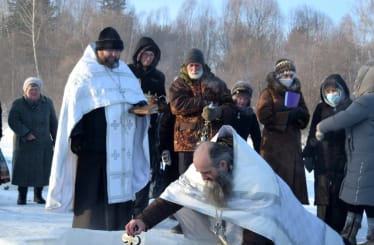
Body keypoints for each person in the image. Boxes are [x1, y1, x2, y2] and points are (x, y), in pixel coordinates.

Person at [125, 125, 363, 245]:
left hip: (282, 217)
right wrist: (143, 220)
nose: (202, 178)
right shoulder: (204, 166)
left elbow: (260, 217)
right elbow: (173, 196)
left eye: (206, 173)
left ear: (223, 165)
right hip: (249, 228)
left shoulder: (256, 176)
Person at [46, 27, 150, 231]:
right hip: (93, 148)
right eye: (109, 51)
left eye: (117, 51)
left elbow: (136, 98)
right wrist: (77, 134)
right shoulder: (85, 71)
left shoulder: (124, 71)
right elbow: (75, 106)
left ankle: (117, 232)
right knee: (92, 197)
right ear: (99, 50)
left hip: (121, 149)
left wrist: (140, 107)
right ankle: (87, 236)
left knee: (119, 199)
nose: (114, 55)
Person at [316, 65, 374, 245]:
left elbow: (344, 118)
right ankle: (359, 236)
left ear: (366, 80)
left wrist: (321, 126)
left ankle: (359, 237)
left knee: (360, 197)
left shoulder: (367, 102)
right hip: (373, 155)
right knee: (363, 197)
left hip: (366, 156)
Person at [169, 48, 237, 175]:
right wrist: (203, 104)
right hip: (186, 143)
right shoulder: (178, 85)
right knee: (187, 180)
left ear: (203, 65)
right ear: (186, 66)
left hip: (212, 141)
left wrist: (218, 112)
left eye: (197, 65)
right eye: (191, 65)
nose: (194, 68)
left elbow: (231, 106)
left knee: (211, 178)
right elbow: (176, 106)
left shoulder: (216, 83)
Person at [256, 58, 310, 204]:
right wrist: (286, 116)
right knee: (274, 191)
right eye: (285, 75)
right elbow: (263, 115)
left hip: (292, 148)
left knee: (292, 196)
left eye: (291, 75)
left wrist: (298, 114)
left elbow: (305, 118)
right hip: (273, 149)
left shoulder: (297, 92)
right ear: (278, 76)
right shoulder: (268, 92)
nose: (289, 79)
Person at [302, 74, 351, 233]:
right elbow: (312, 132)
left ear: (342, 90)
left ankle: (337, 233)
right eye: (328, 90)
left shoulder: (350, 107)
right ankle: (321, 233)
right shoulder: (320, 108)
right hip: (322, 161)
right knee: (323, 199)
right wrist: (308, 152)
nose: (332, 93)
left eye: (334, 90)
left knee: (339, 200)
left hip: (342, 161)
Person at [128, 36, 168, 212]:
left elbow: (162, 99)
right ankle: (125, 204)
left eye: (152, 55)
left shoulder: (158, 76)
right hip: (128, 126)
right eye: (146, 54)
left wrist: (159, 104)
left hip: (149, 127)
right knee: (128, 166)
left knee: (145, 166)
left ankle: (140, 207)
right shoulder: (127, 71)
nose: (148, 58)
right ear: (138, 54)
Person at [8, 77, 57, 204]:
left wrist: (56, 139)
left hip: (43, 143)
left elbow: (53, 122)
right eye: (31, 89)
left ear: (40, 90)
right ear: (25, 91)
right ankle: (22, 196)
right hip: (24, 143)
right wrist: (26, 133)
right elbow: (13, 120)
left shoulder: (48, 103)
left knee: (41, 170)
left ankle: (38, 195)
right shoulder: (18, 104)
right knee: (22, 171)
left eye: (36, 89)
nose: (34, 92)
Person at [230, 81, 261, 152]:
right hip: (224, 150)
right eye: (240, 98)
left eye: (245, 99)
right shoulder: (227, 111)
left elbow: (257, 138)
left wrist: (259, 156)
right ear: (234, 98)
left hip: (241, 151)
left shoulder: (250, 116)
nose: (242, 101)